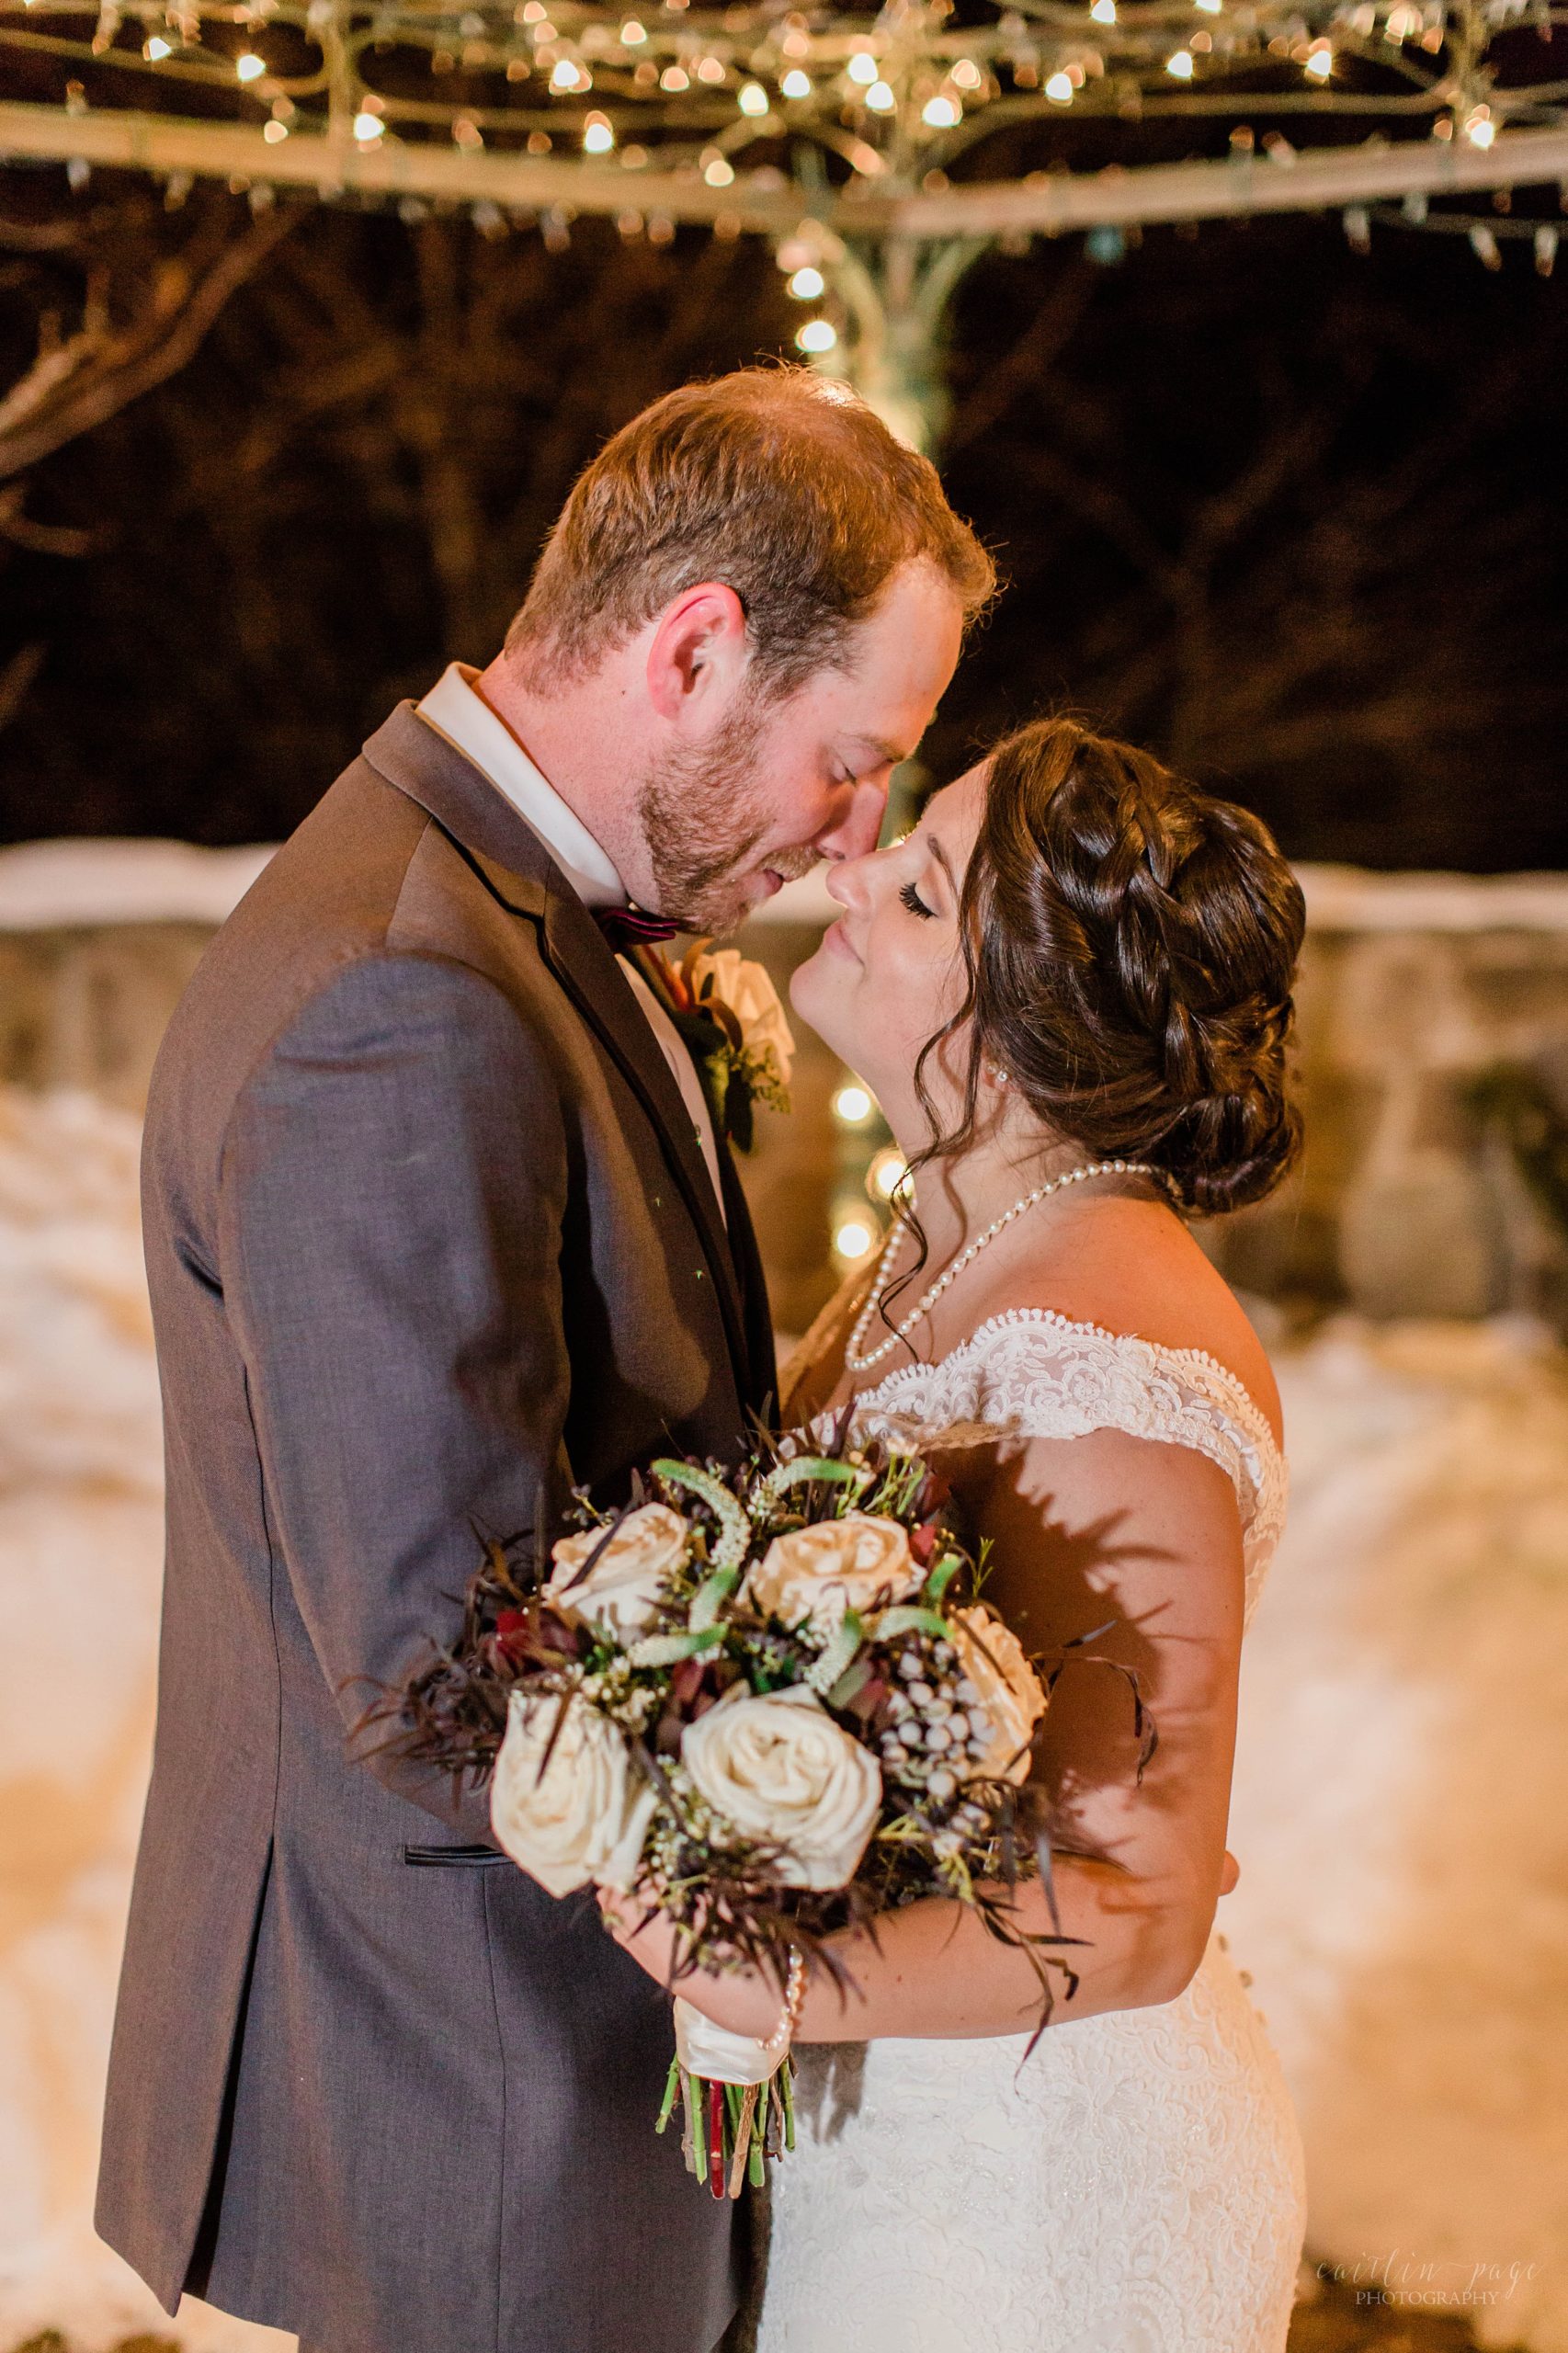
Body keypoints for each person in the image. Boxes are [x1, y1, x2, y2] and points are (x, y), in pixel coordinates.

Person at [94, 368, 993, 2353]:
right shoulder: (404, 989)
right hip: (481, 2078)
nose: (856, 832)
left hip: (507, 2059)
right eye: (854, 757)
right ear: (694, 648)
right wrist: (815, 1794)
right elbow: (433, 1653)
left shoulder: (496, 921)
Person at [607, 717, 1311, 2352]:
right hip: (897, 2129)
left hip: (1024, 2204)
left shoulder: (1113, 1370)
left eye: (917, 892)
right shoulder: (945, 1246)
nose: (848, 874)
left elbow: (1133, 1902)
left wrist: (755, 1981)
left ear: (1019, 1034)